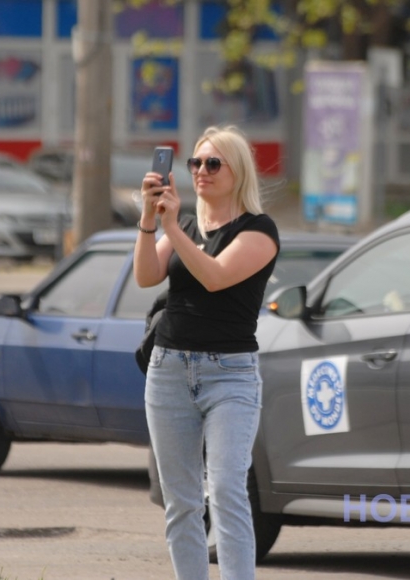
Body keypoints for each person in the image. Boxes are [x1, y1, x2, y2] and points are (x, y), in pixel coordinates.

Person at [133, 125, 280, 580]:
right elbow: (146, 275)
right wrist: (149, 220)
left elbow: (215, 276)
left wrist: (173, 227)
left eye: (212, 163)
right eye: (195, 163)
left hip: (230, 375)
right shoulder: (189, 224)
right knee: (181, 501)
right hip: (169, 369)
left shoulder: (259, 231)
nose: (200, 172)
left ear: (237, 172)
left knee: (227, 490)